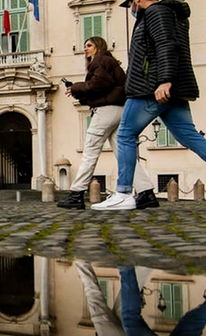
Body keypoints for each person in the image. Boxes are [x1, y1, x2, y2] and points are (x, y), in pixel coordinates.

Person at [93, 0, 206, 211]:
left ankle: (122, 193)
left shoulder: (155, 13)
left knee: (125, 135)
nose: (131, 8)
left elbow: (166, 46)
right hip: (170, 87)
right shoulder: (170, 15)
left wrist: (164, 81)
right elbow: (168, 47)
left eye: (130, 3)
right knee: (190, 137)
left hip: (151, 88)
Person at [57, 37, 158, 209]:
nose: (86, 49)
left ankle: (76, 193)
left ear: (98, 46)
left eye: (89, 45)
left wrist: (77, 88)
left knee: (90, 149)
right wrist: (79, 92)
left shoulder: (101, 60)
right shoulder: (108, 62)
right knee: (123, 153)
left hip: (107, 111)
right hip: (119, 109)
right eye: (84, 46)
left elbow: (98, 85)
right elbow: (102, 87)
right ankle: (146, 191)